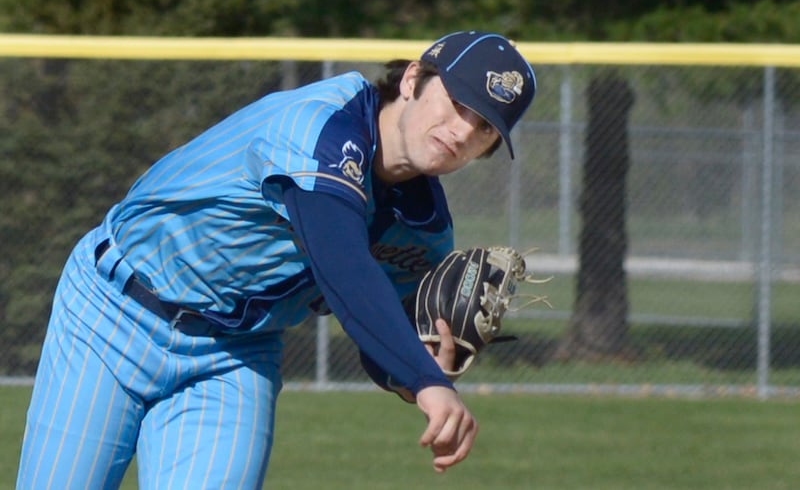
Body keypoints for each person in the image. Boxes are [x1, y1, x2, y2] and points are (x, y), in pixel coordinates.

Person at [17, 30, 536, 489]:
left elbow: (381, 341)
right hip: (113, 312)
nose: (463, 131)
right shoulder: (320, 125)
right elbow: (342, 264)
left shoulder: (426, 232)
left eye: (485, 128)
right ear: (413, 79)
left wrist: (414, 366)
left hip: (234, 355)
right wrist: (427, 383)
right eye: (457, 103)